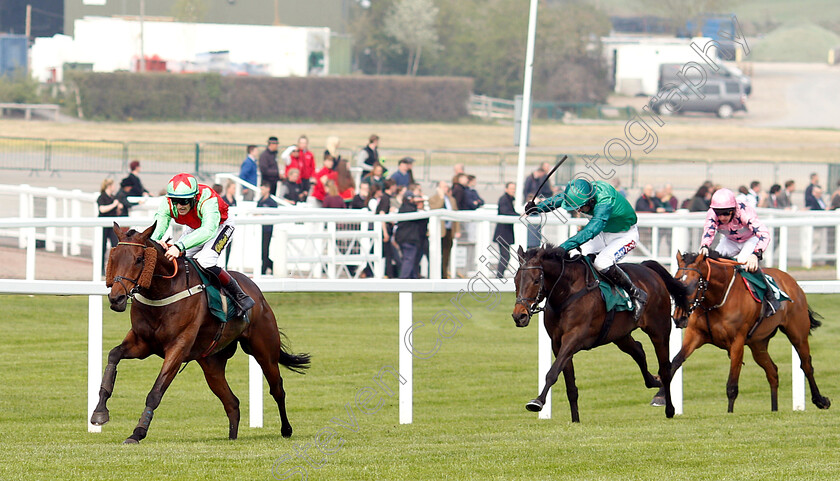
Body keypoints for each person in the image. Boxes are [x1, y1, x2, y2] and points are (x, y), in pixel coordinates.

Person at [525, 178, 648, 322]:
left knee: (602, 263)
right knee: (576, 256)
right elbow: (560, 198)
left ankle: (636, 294)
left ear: (590, 201)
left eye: (580, 208)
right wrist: (538, 208)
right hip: (603, 232)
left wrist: (563, 247)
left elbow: (592, 230)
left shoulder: (605, 201)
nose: (578, 211)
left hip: (624, 235)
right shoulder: (582, 192)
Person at [151, 173, 255, 318]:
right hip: (195, 227)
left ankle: (241, 297)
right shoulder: (167, 202)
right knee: (175, 260)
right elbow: (158, 227)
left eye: (185, 200)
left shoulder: (208, 198)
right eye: (176, 200)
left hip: (220, 226)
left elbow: (208, 230)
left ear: (194, 197)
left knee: (206, 261)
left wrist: (179, 246)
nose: (180, 205)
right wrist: (154, 242)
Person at [698, 188, 777, 317]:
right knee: (712, 263)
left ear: (733, 210)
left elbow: (764, 234)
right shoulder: (712, 213)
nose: (722, 218)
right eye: (719, 214)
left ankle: (770, 298)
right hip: (730, 240)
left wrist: (756, 254)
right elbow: (709, 231)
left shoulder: (744, 213)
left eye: (725, 213)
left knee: (743, 261)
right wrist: (705, 246)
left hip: (751, 239)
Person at [429, 181, 460, 279]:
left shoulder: (451, 199)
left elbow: (455, 215)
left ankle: (444, 275)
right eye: (444, 187)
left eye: (447, 187)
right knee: (437, 253)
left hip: (449, 230)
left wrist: (457, 230)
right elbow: (436, 208)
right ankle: (436, 274)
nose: (446, 189)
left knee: (447, 254)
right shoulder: (433, 198)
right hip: (439, 231)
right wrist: (441, 197)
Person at [395, 192, 428, 279]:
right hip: (409, 239)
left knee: (411, 260)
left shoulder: (404, 208)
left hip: (405, 238)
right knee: (409, 259)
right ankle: (404, 279)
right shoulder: (410, 209)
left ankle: (413, 278)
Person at [97, 178, 123, 273]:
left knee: (115, 246)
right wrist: (114, 205)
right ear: (109, 186)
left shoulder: (113, 197)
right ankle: (101, 269)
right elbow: (102, 209)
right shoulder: (102, 197)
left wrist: (118, 207)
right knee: (102, 246)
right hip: (103, 226)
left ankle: (114, 268)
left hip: (112, 226)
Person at [493, 182, 516, 278]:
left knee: (505, 256)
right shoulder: (504, 199)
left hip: (505, 233)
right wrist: (519, 216)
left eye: (514, 188)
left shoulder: (508, 199)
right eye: (511, 188)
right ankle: (499, 277)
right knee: (505, 256)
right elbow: (506, 212)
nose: (513, 191)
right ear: (506, 189)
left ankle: (499, 276)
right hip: (503, 233)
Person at [256, 180, 278, 275]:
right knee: (262, 251)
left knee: (265, 251)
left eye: (263, 188)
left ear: (268, 189)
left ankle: (265, 270)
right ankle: (270, 267)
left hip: (268, 229)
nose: (262, 190)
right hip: (260, 229)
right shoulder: (260, 201)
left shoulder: (271, 202)